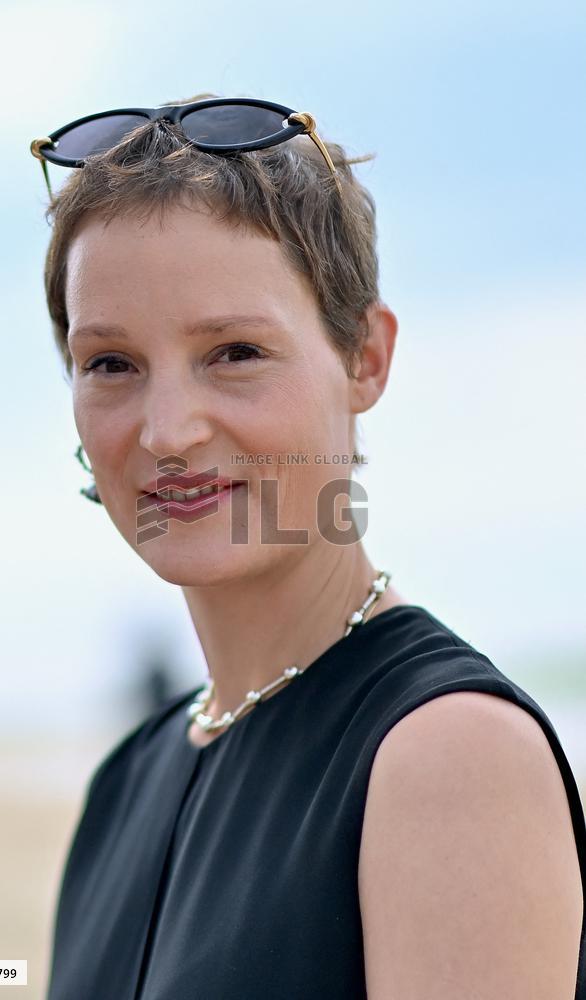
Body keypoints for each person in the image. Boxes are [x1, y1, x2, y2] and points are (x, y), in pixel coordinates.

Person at [31, 94, 586, 999]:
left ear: (365, 357)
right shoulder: (123, 784)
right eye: (111, 363)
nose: (168, 430)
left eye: (235, 351)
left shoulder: (449, 758)